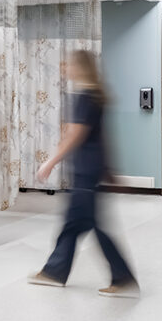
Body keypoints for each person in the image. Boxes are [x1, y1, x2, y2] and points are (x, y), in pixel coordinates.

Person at [27, 50, 139, 298]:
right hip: (91, 170)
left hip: (85, 172)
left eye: (68, 64)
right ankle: (54, 272)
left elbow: (76, 135)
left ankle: (123, 278)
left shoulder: (84, 97)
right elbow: (102, 137)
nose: (65, 68)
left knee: (93, 226)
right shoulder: (95, 96)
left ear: (80, 68)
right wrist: (109, 170)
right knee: (73, 224)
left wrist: (50, 162)